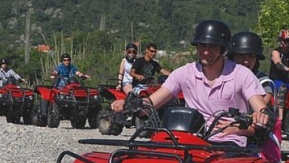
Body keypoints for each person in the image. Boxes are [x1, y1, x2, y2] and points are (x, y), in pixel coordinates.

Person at [111, 20, 272, 149]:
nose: (206, 51)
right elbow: (152, 103)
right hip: (191, 141)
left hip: (228, 144)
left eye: (212, 46)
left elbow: (263, 110)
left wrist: (259, 117)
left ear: (222, 49)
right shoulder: (184, 73)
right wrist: (128, 104)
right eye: (202, 45)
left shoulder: (242, 74)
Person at [228, 31, 282, 163]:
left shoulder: (263, 81)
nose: (245, 61)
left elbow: (261, 107)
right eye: (241, 55)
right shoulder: (224, 78)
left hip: (260, 132)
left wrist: (255, 118)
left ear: (256, 59)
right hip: (229, 128)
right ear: (232, 56)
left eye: (250, 56)